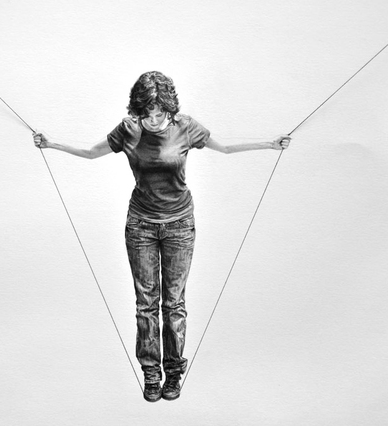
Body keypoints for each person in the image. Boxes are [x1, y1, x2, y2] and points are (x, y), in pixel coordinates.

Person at [33, 71, 291, 402]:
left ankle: (174, 374)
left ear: (170, 109)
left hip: (179, 225)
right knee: (146, 304)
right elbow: (90, 153)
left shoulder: (185, 126)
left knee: (174, 304)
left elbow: (225, 148)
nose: (154, 121)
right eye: (147, 114)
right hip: (141, 226)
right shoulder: (128, 129)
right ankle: (151, 376)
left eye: (160, 114)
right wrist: (50, 143)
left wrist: (270, 144)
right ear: (137, 111)